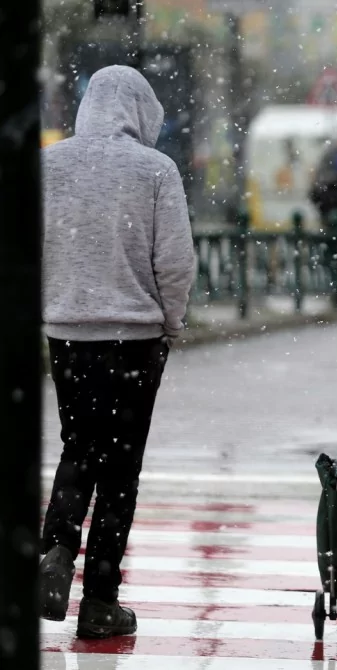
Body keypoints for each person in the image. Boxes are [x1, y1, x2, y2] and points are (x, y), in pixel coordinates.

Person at [38, 65, 195, 637]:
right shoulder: (155, 170)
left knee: (78, 448)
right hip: (135, 339)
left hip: (67, 334)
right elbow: (174, 262)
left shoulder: (49, 164)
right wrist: (171, 324)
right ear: (140, 110)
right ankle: (100, 602)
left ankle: (56, 549)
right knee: (121, 468)